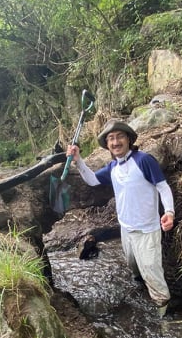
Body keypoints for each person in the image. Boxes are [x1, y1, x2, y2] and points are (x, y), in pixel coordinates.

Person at [67, 119, 175, 317]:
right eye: (111, 139)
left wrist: (169, 212)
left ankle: (164, 313)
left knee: (152, 272)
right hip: (126, 229)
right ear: (107, 145)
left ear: (129, 139)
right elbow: (91, 180)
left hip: (147, 230)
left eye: (120, 137)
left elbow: (162, 187)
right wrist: (78, 160)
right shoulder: (112, 168)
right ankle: (139, 284)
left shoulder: (144, 160)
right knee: (133, 265)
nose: (115, 142)